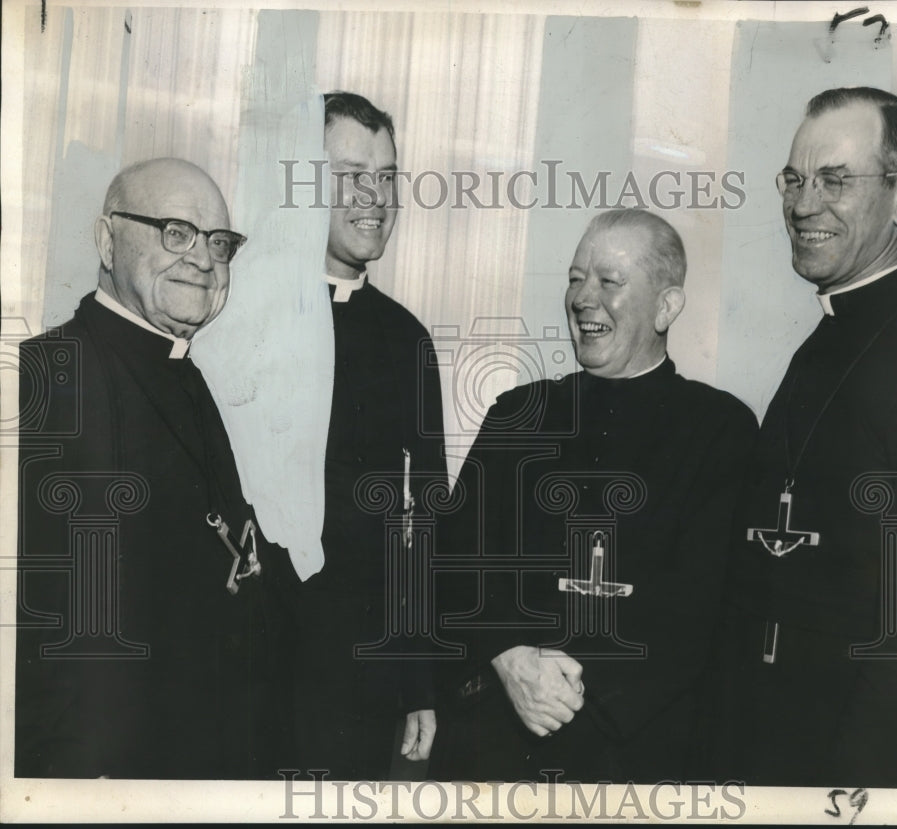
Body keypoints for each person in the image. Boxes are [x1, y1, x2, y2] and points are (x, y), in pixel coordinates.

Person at [430, 208, 758, 783]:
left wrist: (581, 699)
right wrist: (509, 657)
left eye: (609, 281)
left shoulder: (720, 430)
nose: (584, 297)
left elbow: (703, 610)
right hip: (497, 735)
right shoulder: (518, 414)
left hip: (634, 754)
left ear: (667, 305)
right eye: (576, 278)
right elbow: (455, 560)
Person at [707, 87, 897, 788]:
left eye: (834, 180)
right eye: (794, 179)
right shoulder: (827, 335)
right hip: (763, 750)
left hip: (849, 769)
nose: (800, 204)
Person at [15, 158, 296, 779]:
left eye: (219, 243)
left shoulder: (186, 375)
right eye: (176, 232)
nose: (203, 259)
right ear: (107, 240)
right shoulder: (41, 379)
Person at [287, 91, 445, 777]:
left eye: (386, 178)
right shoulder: (236, 314)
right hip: (247, 652)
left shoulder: (405, 338)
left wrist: (420, 683)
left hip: (356, 670)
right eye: (352, 175)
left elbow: (423, 524)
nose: (374, 197)